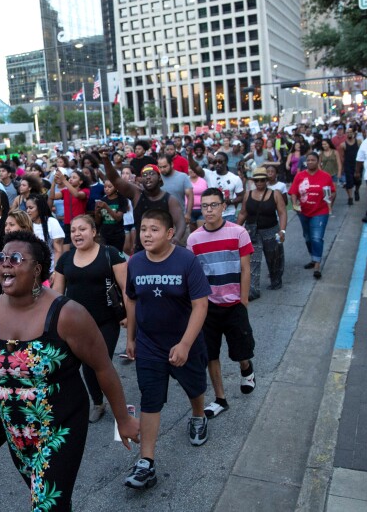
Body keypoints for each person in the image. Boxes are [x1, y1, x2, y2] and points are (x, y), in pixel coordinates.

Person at [0, 230, 139, 510]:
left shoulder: (68, 314)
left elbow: (103, 368)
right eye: (1, 258)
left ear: (37, 269)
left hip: (60, 427)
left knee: (46, 504)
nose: (6, 263)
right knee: (47, 497)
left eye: (16, 258)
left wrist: (123, 418)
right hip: (14, 429)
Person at [123, 209, 212, 490]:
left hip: (185, 341)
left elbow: (201, 305)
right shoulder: (135, 262)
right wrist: (131, 337)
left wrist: (185, 343)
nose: (147, 235)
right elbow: (133, 301)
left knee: (195, 387)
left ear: (170, 233)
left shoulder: (186, 261)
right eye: (144, 229)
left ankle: (198, 416)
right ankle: (146, 462)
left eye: (154, 230)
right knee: (150, 398)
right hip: (150, 344)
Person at [187, 188, 257, 420]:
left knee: (240, 350)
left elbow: (245, 268)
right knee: (210, 354)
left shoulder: (238, 232)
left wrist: (243, 300)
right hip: (208, 306)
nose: (209, 210)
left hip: (235, 302)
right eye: (205, 206)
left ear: (223, 206)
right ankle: (220, 399)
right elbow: (194, 275)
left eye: (213, 205)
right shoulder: (194, 238)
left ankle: (246, 368)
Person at [52, 215, 127, 422]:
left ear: (94, 232)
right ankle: (97, 402)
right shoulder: (66, 259)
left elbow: (126, 289)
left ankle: (117, 405)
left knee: (100, 363)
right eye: (74, 230)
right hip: (76, 325)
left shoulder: (110, 254)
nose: (77, 234)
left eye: (82, 229)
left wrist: (129, 319)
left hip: (106, 321)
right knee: (86, 366)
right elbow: (57, 293)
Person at [103, 157, 186, 251]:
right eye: (145, 175)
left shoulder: (170, 199)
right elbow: (115, 179)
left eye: (152, 174)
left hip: (164, 250)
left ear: (159, 177)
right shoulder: (136, 194)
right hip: (141, 250)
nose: (148, 177)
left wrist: (177, 238)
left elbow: (180, 222)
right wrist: (105, 158)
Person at [236, 168, 287, 293]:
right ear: (253, 181)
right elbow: (243, 213)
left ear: (266, 181)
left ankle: (276, 281)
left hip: (271, 230)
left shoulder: (275, 194)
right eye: (256, 180)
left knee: (274, 258)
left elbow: (282, 212)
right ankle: (253, 290)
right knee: (253, 261)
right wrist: (236, 230)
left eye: (262, 180)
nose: (259, 182)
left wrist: (282, 231)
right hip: (252, 232)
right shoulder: (248, 194)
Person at [289, 153, 336, 279]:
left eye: (313, 160)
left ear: (318, 161)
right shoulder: (300, 176)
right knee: (308, 237)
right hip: (303, 212)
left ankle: (317, 265)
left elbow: (332, 192)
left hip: (320, 212)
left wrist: (330, 201)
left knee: (316, 237)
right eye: (308, 160)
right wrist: (294, 204)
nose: (310, 162)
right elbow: (293, 192)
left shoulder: (325, 176)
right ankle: (313, 257)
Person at [26, 193, 65, 273]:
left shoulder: (51, 222)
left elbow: (58, 250)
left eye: (31, 208)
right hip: (33, 270)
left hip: (51, 269)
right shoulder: (28, 224)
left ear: (39, 208)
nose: (28, 211)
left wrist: (55, 272)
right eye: (27, 208)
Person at [50, 169, 90, 237]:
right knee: (66, 247)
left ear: (80, 182)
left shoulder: (85, 191)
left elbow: (76, 195)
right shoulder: (65, 191)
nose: (71, 179)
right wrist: (54, 182)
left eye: (74, 178)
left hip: (79, 223)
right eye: (70, 177)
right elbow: (52, 196)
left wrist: (64, 180)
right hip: (67, 223)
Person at [94, 180, 129, 252]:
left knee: (117, 256)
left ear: (116, 188)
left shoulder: (121, 199)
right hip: (104, 234)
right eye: (105, 187)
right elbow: (98, 222)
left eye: (110, 187)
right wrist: (96, 212)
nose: (106, 189)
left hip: (117, 235)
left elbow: (118, 218)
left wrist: (106, 207)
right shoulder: (102, 200)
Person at [340, 127, 362, 205]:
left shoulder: (358, 142)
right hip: (348, 165)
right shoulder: (343, 145)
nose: (349, 134)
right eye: (348, 132)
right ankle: (350, 197)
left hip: (357, 164)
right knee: (349, 182)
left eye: (351, 132)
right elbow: (342, 156)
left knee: (358, 181)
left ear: (353, 133)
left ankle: (357, 190)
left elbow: (362, 153)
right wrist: (342, 167)